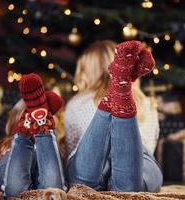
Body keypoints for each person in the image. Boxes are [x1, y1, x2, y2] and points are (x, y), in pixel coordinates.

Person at [65, 40, 163, 192]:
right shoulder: (146, 103)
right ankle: (119, 89)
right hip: (139, 157)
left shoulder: (78, 102)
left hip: (90, 155)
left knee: (81, 185)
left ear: (86, 72)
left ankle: (112, 95)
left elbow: (71, 145)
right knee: (131, 189)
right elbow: (152, 142)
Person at [0, 74, 66, 197]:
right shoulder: (7, 145)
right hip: (14, 162)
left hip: (40, 161)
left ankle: (36, 128)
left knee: (51, 190)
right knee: (19, 189)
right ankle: (32, 128)